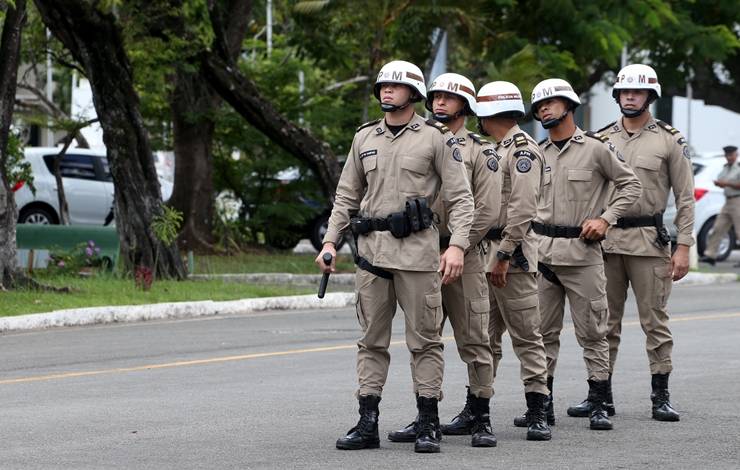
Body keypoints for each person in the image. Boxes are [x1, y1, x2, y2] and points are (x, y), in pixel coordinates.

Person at [317, 60, 474, 453]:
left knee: (425, 341)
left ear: (414, 94)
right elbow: (347, 195)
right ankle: (367, 421)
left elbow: (460, 198)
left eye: (395, 86)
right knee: (371, 341)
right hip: (371, 255)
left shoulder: (436, 139)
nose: (387, 91)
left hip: (418, 256)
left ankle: (428, 421)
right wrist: (330, 241)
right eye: (383, 86)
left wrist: (456, 246)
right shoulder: (364, 138)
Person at [566, 64, 694, 422]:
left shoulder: (670, 139)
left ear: (650, 96)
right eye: (624, 92)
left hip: (649, 243)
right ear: (617, 96)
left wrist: (683, 246)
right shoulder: (602, 138)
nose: (630, 97)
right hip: (605, 243)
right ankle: (600, 395)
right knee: (603, 323)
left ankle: (660, 396)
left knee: (655, 322)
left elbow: (685, 197)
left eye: (637, 92)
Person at [387, 72, 500, 448]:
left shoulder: (480, 151)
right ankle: (426, 416)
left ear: (465, 106)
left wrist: (459, 246)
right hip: (421, 253)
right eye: (435, 96)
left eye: (448, 98)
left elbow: (485, 209)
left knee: (474, 339)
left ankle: (480, 416)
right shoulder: (419, 141)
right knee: (424, 338)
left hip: (462, 255)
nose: (439, 103)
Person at [531, 78, 642, 431]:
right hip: (544, 255)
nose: (544, 109)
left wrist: (606, 219)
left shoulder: (596, 148)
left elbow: (631, 184)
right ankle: (541, 406)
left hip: (583, 255)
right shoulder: (537, 153)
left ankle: (598, 402)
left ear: (569, 106)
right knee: (542, 334)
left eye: (550, 103)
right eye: (539, 106)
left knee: (594, 332)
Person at [475, 81, 552, 441]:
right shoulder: (497, 149)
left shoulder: (522, 150)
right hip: (487, 253)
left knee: (525, 336)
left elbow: (523, 209)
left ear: (489, 113)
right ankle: (477, 406)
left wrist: (504, 254)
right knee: (484, 337)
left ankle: (538, 410)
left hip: (512, 256)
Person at [700, 145, 740, 266]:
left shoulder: (738, 168)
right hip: (727, 202)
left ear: (736, 155)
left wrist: (726, 183)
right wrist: (720, 184)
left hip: (737, 201)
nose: (729, 157)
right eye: (727, 155)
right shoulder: (725, 168)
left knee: (739, 231)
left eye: (731, 155)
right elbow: (720, 180)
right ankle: (710, 255)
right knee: (718, 228)